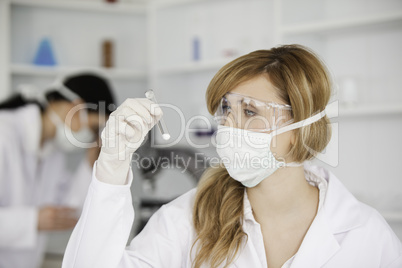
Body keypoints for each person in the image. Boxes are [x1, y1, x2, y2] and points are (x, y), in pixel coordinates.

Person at [62, 45, 402, 268]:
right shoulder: (187, 219)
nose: (229, 126)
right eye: (226, 109)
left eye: (250, 110)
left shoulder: (364, 234)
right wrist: (110, 171)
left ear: (301, 126)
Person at [0, 73, 116, 268]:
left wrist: (93, 160)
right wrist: (32, 221)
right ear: (76, 107)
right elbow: (42, 218)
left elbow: (69, 209)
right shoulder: (4, 135)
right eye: (96, 127)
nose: (94, 136)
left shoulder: (52, 152)